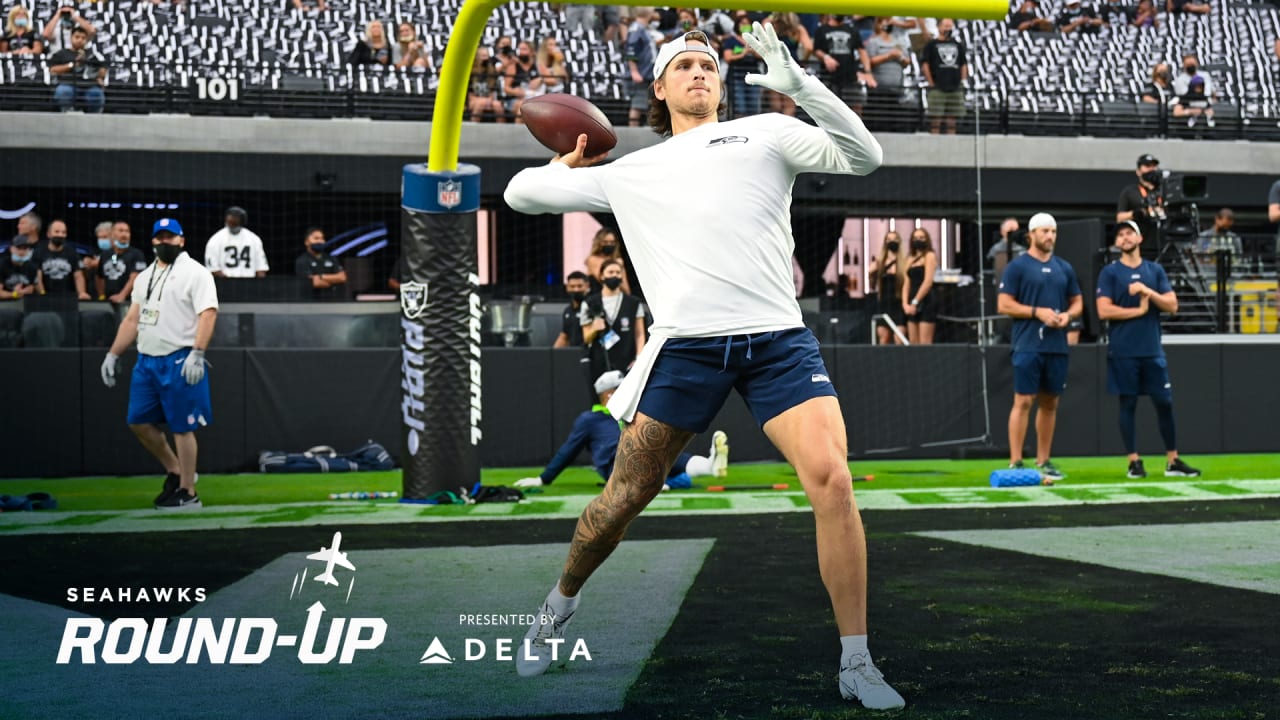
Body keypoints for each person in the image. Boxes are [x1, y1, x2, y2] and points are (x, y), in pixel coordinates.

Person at [504, 25, 903, 709]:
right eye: (684, 65)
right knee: (623, 499)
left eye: (708, 66)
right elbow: (516, 194)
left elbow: (866, 156)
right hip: (686, 348)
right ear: (658, 87)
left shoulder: (766, 135)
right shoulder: (630, 172)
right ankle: (556, 608)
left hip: (778, 340)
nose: (699, 74)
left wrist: (799, 86)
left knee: (833, 481)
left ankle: (857, 661)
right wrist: (561, 169)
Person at [100, 219, 218, 510]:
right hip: (147, 359)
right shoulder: (145, 276)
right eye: (160, 237)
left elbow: (208, 313)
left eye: (170, 237)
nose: (164, 242)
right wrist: (113, 354)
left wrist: (198, 352)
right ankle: (176, 470)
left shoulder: (196, 273)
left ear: (181, 240)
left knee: (182, 426)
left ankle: (189, 492)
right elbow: (132, 319)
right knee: (138, 421)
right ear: (153, 241)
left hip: (179, 357)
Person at [1096, 220, 1202, 479]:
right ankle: (1134, 461)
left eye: (1129, 232)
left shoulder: (1154, 271)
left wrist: (1147, 292)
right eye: (1120, 234)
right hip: (1123, 350)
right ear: (1117, 242)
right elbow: (1103, 310)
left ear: (1140, 238)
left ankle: (1173, 460)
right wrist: (1138, 311)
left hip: (1152, 349)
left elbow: (1172, 305)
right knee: (1128, 403)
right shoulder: (1109, 273)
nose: (1124, 237)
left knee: (1164, 403)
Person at [514, 370, 730, 491]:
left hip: (648, 454)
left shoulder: (637, 412)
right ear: (609, 395)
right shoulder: (590, 419)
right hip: (617, 463)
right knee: (633, 460)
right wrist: (544, 478)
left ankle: (710, 466)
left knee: (666, 450)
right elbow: (568, 450)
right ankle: (651, 483)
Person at [997, 213, 1083, 482]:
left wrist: (1068, 316)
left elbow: (1078, 302)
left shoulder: (1064, 268)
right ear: (1031, 234)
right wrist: (1037, 312)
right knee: (1023, 401)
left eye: (1053, 231)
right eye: (1045, 231)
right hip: (1027, 344)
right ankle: (1016, 462)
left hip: (1056, 346)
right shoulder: (1017, 267)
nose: (1050, 236)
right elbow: (1004, 305)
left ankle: (1044, 461)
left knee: (1050, 403)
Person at [580, 259, 645, 381]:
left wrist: (639, 358)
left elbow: (639, 334)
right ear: (602, 276)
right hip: (600, 362)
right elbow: (586, 337)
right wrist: (594, 328)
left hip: (627, 361)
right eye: (610, 272)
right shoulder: (589, 303)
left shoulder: (634, 303)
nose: (615, 275)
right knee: (601, 399)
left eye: (618, 272)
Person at [812, 15, 871, 115]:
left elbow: (862, 51)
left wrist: (868, 72)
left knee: (855, 109)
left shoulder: (852, 30)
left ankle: (855, 130)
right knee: (830, 110)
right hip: (829, 77)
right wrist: (825, 57)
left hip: (850, 77)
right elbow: (816, 50)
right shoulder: (822, 30)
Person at [920, 18, 967, 135]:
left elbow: (963, 64)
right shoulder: (931, 44)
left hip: (955, 87)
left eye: (950, 26)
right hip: (937, 87)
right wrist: (931, 83)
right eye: (945, 26)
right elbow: (925, 64)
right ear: (939, 27)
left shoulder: (958, 45)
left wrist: (963, 81)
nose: (948, 29)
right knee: (936, 120)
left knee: (952, 121)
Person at [864, 17, 911, 130]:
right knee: (878, 122)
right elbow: (870, 61)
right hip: (878, 90)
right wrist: (889, 56)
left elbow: (907, 61)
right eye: (885, 21)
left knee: (893, 122)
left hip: (896, 89)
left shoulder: (899, 42)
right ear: (879, 24)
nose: (888, 24)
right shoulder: (873, 41)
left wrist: (899, 57)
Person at [48, 25, 105, 113]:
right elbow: (53, 70)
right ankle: (67, 115)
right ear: (71, 38)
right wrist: (73, 65)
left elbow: (102, 70)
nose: (80, 40)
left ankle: (94, 119)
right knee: (63, 91)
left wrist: (98, 75)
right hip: (67, 84)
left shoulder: (92, 54)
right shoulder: (62, 53)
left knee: (96, 94)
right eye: (77, 37)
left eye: (83, 38)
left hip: (89, 85)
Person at [204, 206, 268, 279]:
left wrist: (259, 286)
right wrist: (230, 283)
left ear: (242, 222)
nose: (232, 223)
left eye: (235, 222)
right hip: (224, 283)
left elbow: (261, 269)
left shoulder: (254, 239)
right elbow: (213, 269)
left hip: (249, 283)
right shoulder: (215, 240)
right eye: (230, 222)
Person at [1117, 153, 1166, 247]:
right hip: (1141, 246)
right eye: (1147, 166)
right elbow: (1119, 218)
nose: (1152, 169)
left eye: (1154, 166)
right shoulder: (1130, 191)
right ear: (1138, 171)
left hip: (1164, 245)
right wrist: (1139, 213)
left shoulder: (1165, 190)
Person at [899, 228, 937, 345]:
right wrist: (905, 304)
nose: (918, 240)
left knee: (924, 342)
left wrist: (915, 302)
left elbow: (928, 282)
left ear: (927, 240)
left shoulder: (930, 256)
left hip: (925, 299)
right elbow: (906, 283)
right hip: (911, 301)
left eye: (921, 237)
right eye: (915, 238)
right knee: (913, 342)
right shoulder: (909, 259)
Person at [33, 219, 88, 299]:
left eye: (63, 232)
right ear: (48, 234)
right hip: (46, 296)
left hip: (68, 297)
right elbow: (37, 278)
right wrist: (43, 295)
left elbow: (78, 276)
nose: (60, 235)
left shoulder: (72, 253)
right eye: (57, 232)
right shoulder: (39, 252)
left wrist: (82, 293)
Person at [624, 7, 658, 127]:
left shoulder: (644, 28)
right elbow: (631, 50)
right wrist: (634, 71)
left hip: (647, 74)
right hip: (640, 74)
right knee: (637, 105)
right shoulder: (636, 28)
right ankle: (633, 133)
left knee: (646, 104)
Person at [98, 221, 147, 304]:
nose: (124, 234)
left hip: (130, 301)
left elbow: (135, 277)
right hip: (108, 300)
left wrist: (122, 295)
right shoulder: (105, 254)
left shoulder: (137, 254)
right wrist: (101, 295)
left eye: (127, 231)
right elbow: (99, 277)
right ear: (112, 234)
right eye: (120, 231)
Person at [869, 230, 904, 345]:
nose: (891, 242)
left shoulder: (904, 262)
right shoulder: (880, 262)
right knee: (883, 338)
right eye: (888, 239)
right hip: (884, 303)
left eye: (894, 239)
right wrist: (871, 275)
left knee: (899, 339)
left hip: (899, 303)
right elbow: (872, 286)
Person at [295, 227, 347, 300]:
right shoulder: (302, 260)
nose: (320, 241)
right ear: (306, 242)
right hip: (310, 302)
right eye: (316, 238)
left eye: (322, 238)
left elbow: (342, 277)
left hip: (332, 301)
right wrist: (333, 281)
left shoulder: (331, 258)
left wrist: (321, 276)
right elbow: (315, 283)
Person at [1171, 53, 1216, 129]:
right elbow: (1183, 96)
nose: (1190, 65)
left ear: (1197, 64)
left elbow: (1212, 93)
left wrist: (1212, 101)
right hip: (1188, 104)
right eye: (1188, 64)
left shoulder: (1205, 75)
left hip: (1205, 102)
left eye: (1192, 63)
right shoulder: (1180, 79)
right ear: (1184, 66)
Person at [502, 39, 542, 122]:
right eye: (520, 49)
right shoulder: (513, 67)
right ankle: (516, 133)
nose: (521, 52)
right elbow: (506, 88)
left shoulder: (538, 66)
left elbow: (553, 80)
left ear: (531, 52)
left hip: (533, 98)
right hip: (514, 100)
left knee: (532, 106)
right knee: (524, 106)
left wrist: (541, 79)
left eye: (524, 49)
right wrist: (516, 92)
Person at [583, 227, 630, 294]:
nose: (609, 244)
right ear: (598, 242)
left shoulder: (619, 260)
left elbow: (626, 288)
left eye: (612, 242)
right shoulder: (592, 259)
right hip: (596, 298)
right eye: (605, 242)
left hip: (616, 298)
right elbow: (605, 280)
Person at [468, 47, 506, 122]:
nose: (485, 59)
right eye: (482, 56)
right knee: (480, 104)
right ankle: (473, 128)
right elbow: (470, 96)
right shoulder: (471, 73)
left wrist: (488, 100)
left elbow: (493, 93)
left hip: (489, 99)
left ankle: (502, 130)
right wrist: (484, 100)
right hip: (474, 100)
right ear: (477, 58)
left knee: (497, 105)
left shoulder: (492, 71)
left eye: (486, 56)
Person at [554, 271, 591, 348]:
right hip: (573, 354)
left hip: (591, 354)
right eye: (572, 286)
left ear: (587, 286)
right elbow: (564, 336)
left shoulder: (594, 306)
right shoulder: (567, 311)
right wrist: (551, 355)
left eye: (580, 286)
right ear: (567, 287)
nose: (576, 290)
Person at [1, 236, 38, 301]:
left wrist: (27, 291)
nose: (22, 251)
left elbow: (32, 287)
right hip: (4, 304)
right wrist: (14, 294)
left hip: (25, 304)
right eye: (19, 248)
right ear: (11, 249)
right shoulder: (2, 265)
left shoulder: (32, 267)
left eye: (25, 248)